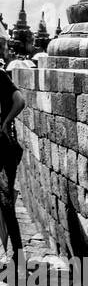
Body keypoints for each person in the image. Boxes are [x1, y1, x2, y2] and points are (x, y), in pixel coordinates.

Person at [0, 65, 25, 262]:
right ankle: (16, 252)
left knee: (6, 202)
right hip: (6, 146)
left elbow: (20, 101)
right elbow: (19, 101)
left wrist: (5, 122)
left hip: (3, 148)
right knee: (6, 202)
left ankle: (15, 252)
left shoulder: (0, 77)